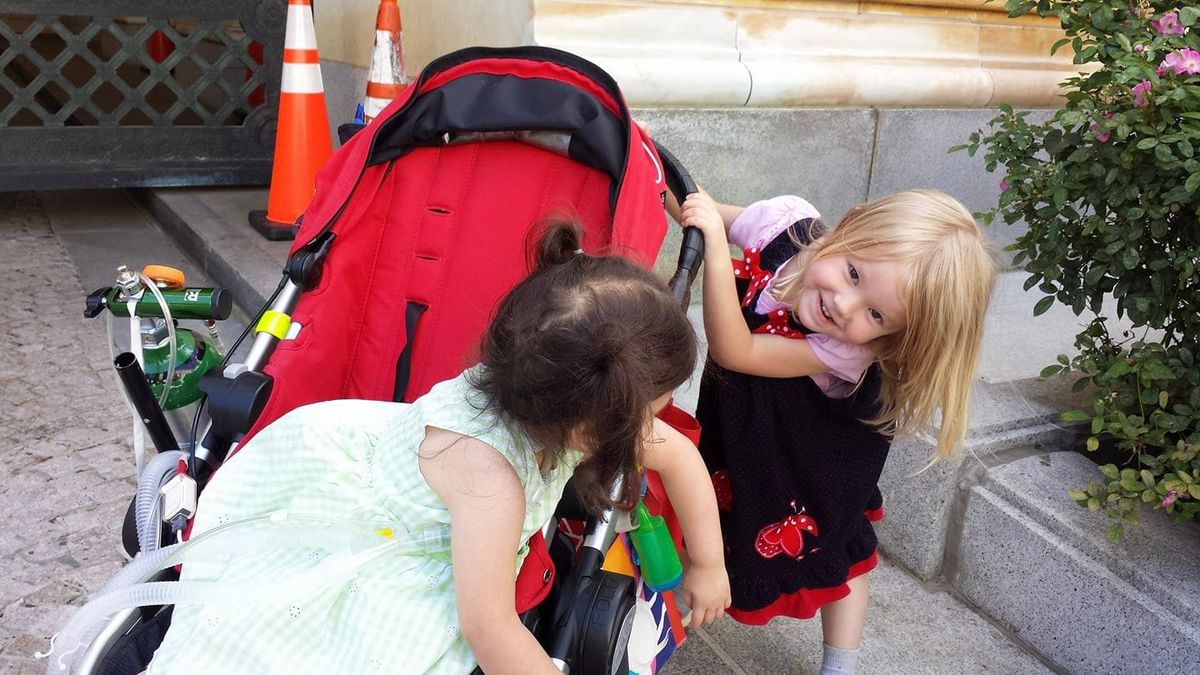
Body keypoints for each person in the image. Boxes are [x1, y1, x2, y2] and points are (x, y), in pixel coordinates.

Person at [144, 220, 731, 674]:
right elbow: (489, 626)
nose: (658, 423)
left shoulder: (550, 386)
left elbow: (677, 454)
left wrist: (708, 563)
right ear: (589, 431)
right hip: (376, 522)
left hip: (368, 448)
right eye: (653, 408)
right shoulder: (490, 482)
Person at [673, 189, 996, 674]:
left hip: (813, 458)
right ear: (849, 224)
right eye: (852, 274)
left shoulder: (848, 350)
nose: (845, 307)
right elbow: (697, 212)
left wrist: (718, 251)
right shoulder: (785, 223)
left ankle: (840, 666)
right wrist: (642, 157)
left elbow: (734, 351)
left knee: (841, 549)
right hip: (752, 437)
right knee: (710, 517)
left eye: (876, 315)